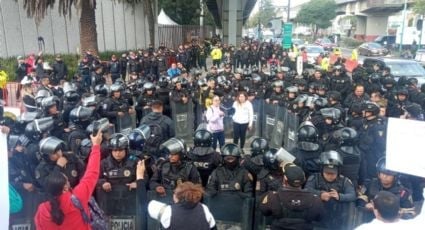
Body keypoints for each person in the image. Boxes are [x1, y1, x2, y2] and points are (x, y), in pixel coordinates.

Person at [34, 130, 102, 229]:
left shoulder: (70, 157)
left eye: (58, 150)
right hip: (70, 200)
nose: (58, 154)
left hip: (76, 197)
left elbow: (83, 172)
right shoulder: (41, 169)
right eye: (53, 153)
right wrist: (58, 167)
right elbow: (91, 173)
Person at [260, 164, 325, 230]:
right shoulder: (315, 200)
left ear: (285, 179)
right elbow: (320, 217)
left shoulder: (273, 197)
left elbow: (264, 211)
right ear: (304, 179)